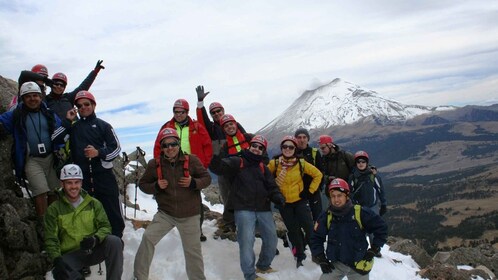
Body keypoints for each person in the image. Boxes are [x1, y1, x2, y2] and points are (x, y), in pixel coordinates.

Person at [134, 128, 211, 280]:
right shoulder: (154, 164)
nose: (169, 148)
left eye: (173, 144)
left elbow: (206, 179)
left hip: (190, 214)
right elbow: (143, 184)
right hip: (166, 213)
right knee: (148, 238)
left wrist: (193, 183)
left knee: (192, 252)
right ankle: (139, 276)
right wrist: (155, 186)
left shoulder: (192, 160)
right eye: (165, 145)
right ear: (161, 147)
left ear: (178, 144)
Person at [210, 135, 285, 280]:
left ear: (263, 151)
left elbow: (271, 186)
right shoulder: (238, 161)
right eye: (254, 146)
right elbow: (219, 168)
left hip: (263, 208)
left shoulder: (263, 167)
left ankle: (263, 265)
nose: (257, 149)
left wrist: (277, 196)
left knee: (271, 239)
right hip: (243, 208)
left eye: (260, 147)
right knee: (246, 242)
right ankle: (250, 275)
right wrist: (215, 155)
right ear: (249, 146)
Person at [52, 90, 125, 238]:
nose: (83, 107)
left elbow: (116, 148)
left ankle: (117, 240)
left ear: (93, 105)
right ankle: (93, 244)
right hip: (82, 178)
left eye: (87, 104)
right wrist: (67, 121)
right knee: (87, 212)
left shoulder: (103, 126)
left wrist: (98, 153)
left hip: (104, 176)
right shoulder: (73, 127)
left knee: (112, 210)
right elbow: (55, 140)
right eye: (79, 105)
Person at [44, 164, 123, 280]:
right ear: (62, 184)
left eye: (76, 182)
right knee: (60, 272)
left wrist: (95, 239)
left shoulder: (93, 203)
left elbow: (105, 226)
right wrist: (56, 259)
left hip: (92, 249)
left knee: (115, 242)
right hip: (70, 255)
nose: (73, 186)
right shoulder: (54, 209)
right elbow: (51, 239)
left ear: (81, 183)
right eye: (69, 183)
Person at [153, 98, 213, 241]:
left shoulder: (196, 127)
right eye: (176, 112)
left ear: (187, 112)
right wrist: (159, 165)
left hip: (192, 166)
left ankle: (197, 230)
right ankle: (168, 224)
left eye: (181, 112)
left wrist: (202, 165)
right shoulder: (167, 126)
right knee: (170, 195)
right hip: (171, 166)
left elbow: (207, 146)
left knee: (195, 199)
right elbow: (157, 147)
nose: (178, 114)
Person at [0, 81, 62, 216]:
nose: (32, 99)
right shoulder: (16, 114)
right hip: (31, 160)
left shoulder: (49, 114)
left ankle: (53, 224)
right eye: (28, 96)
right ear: (23, 98)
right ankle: (43, 225)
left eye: (35, 95)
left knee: (54, 191)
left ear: (40, 97)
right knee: (40, 191)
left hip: (51, 158)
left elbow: (60, 131)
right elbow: (2, 122)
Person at [310, 178, 388, 280]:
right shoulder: (326, 216)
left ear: (346, 196)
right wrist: (321, 257)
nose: (336, 200)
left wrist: (374, 249)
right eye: (333, 196)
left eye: (339, 196)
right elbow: (316, 237)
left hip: (359, 263)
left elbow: (381, 227)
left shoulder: (360, 212)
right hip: (337, 263)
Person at [267, 136, 323, 268]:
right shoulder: (274, 163)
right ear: (281, 148)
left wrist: (309, 191)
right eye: (285, 146)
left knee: (309, 228)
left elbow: (318, 175)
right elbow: (265, 177)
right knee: (293, 230)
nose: (287, 149)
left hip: (300, 201)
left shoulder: (301, 163)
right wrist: (273, 193)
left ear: (295, 149)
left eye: (291, 147)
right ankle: (299, 256)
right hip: (284, 203)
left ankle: (317, 254)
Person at [349, 150, 387, 256]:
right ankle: (361, 248)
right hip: (358, 207)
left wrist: (383, 204)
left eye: (363, 161)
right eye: (358, 162)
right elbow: (349, 191)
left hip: (372, 206)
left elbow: (380, 190)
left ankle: (375, 248)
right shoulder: (353, 177)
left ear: (367, 163)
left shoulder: (373, 176)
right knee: (359, 228)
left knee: (373, 228)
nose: (361, 164)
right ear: (356, 164)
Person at [194, 85, 246, 154]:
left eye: (218, 111)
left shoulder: (235, 124)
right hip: (220, 162)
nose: (216, 113)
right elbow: (203, 120)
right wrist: (200, 102)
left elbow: (247, 139)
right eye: (213, 112)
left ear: (223, 110)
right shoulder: (212, 128)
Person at [294, 128, 324, 222]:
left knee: (317, 219)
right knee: (300, 220)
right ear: (295, 139)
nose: (302, 140)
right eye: (299, 137)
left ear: (308, 139)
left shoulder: (314, 153)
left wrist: (318, 188)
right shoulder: (292, 152)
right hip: (297, 192)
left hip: (313, 192)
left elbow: (321, 172)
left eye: (304, 137)